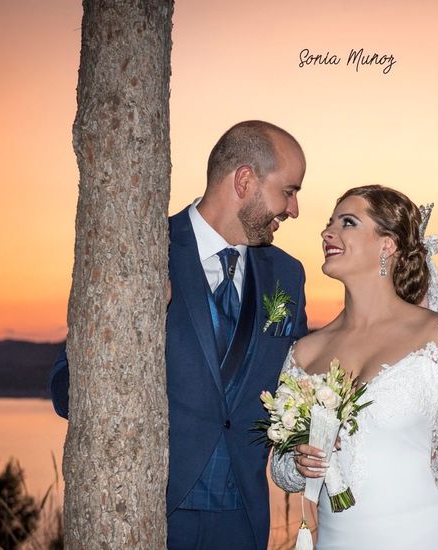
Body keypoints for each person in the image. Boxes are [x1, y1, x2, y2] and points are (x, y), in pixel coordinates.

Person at [49, 120, 309, 550]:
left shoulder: (287, 274)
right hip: (151, 515)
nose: (294, 210)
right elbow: (66, 392)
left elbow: (299, 384)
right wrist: (135, 321)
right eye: (289, 190)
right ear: (244, 180)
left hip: (243, 518)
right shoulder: (144, 250)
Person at [270, 185, 438, 549]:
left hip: (425, 536)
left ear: (387, 245)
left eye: (348, 222)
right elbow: (282, 470)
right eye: (330, 223)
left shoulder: (437, 336)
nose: (328, 232)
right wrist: (299, 459)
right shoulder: (304, 353)